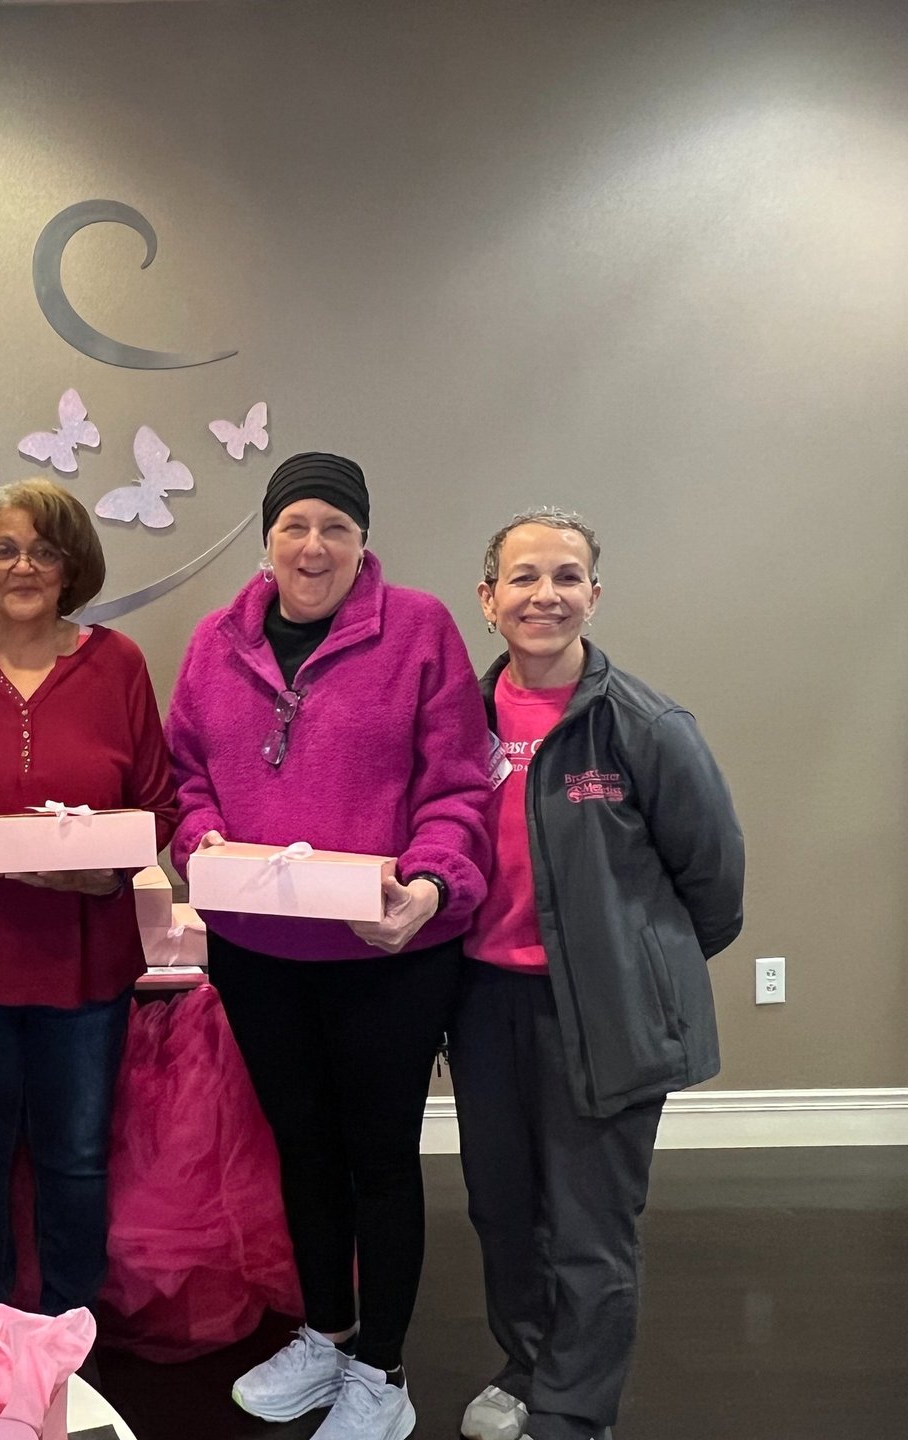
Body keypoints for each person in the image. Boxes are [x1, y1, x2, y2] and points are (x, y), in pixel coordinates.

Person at [166, 453, 492, 1440]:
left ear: (362, 543)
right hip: (259, 953)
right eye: (296, 525)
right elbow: (189, 779)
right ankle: (326, 1333)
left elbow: (457, 791)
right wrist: (200, 843)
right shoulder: (214, 643)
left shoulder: (421, 631)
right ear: (267, 538)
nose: (314, 546)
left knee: (382, 1158)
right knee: (301, 1150)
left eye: (335, 528)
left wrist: (428, 886)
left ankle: (382, 1371)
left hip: (386, 952)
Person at [452, 511, 744, 1440]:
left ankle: (575, 1411)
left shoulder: (644, 726)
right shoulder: (453, 721)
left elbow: (715, 882)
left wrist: (633, 968)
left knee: (590, 1223)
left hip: (604, 1012)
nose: (546, 596)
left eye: (567, 577)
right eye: (525, 577)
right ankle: (528, 1363)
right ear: (488, 597)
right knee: (503, 1210)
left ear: (594, 595)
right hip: (483, 999)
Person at [0, 479, 179, 1316]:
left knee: (77, 1158)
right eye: (4, 549)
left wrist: (111, 871)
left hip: (84, 969)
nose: (24, 566)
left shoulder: (117, 663)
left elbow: (159, 803)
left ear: (70, 565)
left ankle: (67, 1333)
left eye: (43, 549)